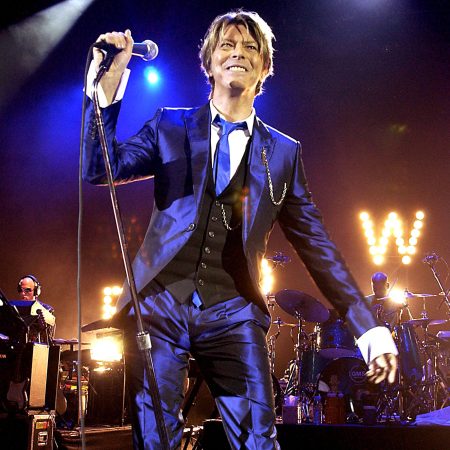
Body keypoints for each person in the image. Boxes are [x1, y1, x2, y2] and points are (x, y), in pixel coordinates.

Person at [82, 9, 398, 449]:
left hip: (233, 311)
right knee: (155, 439)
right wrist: (109, 82)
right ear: (209, 63)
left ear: (264, 67)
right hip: (159, 305)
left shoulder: (283, 153)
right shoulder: (170, 125)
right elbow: (100, 168)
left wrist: (368, 327)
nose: (238, 53)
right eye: (227, 46)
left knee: (257, 440)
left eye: (250, 47)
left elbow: (318, 247)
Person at [15, 275, 55, 344]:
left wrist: (43, 328)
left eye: (27, 290)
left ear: (36, 292)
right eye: (20, 290)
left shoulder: (47, 310)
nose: (23, 293)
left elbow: (49, 342)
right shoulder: (14, 308)